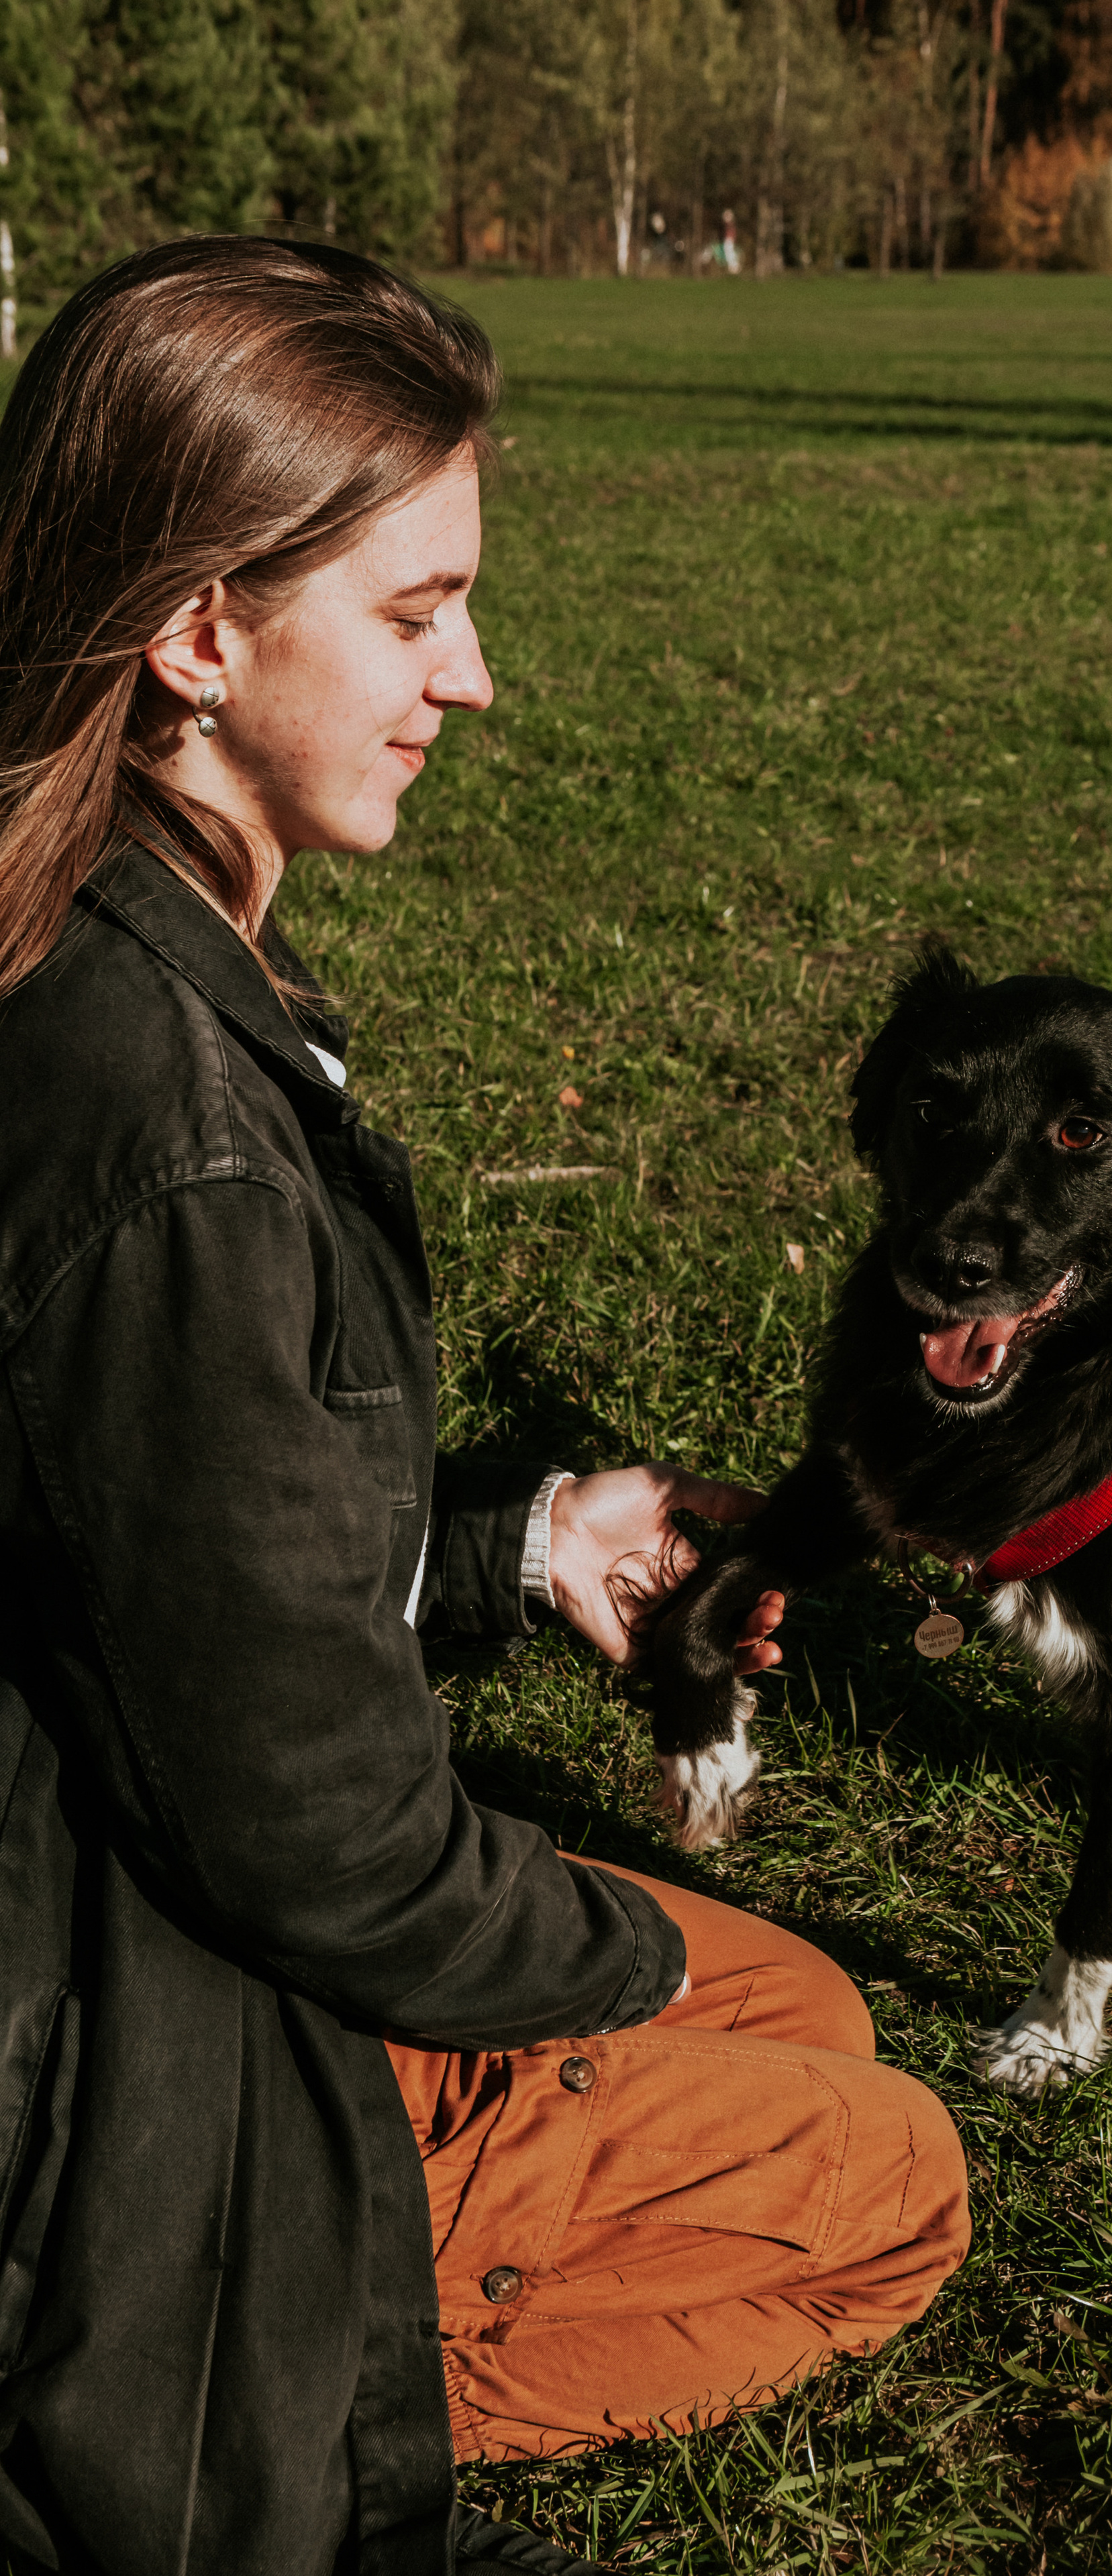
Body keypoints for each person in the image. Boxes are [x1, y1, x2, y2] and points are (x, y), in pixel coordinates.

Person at [0, 236, 968, 2576]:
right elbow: (310, 1836)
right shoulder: (170, 1125)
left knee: (808, 2008)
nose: (479, 679)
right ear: (202, 632)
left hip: (127, 1935)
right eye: (417, 614)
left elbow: (129, 1525)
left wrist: (507, 1542)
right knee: (889, 2182)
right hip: (128, 2070)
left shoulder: (124, 943)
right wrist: (586, 1963)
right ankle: (283, 2401)